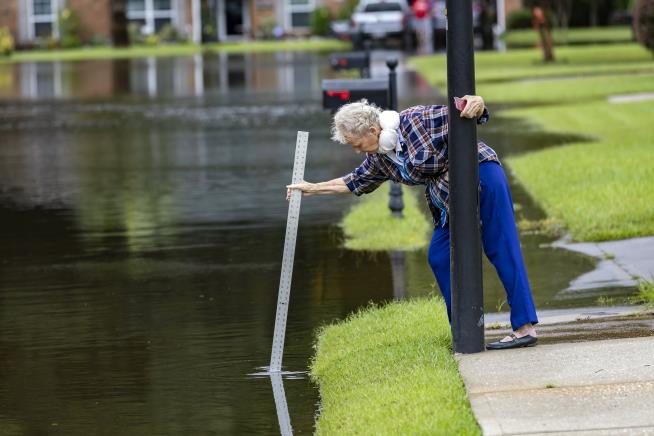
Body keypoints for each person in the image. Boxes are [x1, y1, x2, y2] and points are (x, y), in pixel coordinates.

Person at [287, 97, 539, 350]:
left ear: (374, 131)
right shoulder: (380, 158)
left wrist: (477, 104)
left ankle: (525, 328)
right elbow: (354, 181)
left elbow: (467, 113)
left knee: (500, 246)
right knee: (440, 256)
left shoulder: (418, 119)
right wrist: (311, 189)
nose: (357, 151)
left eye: (357, 144)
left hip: (481, 175)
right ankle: (465, 331)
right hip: (448, 197)